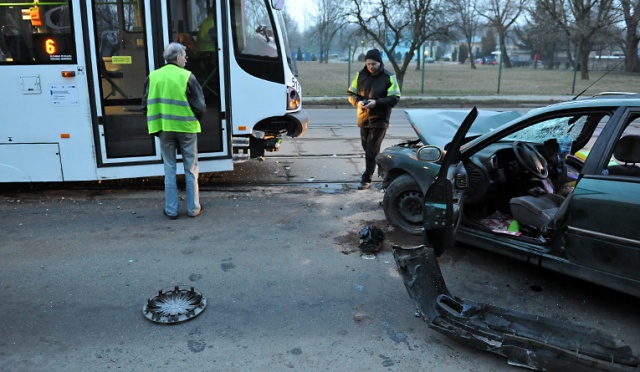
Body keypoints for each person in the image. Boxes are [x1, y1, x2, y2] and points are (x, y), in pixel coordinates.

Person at [142, 42, 206, 219]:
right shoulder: (187, 77)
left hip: (164, 129)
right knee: (191, 169)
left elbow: (144, 105)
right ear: (177, 57)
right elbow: (200, 106)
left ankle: (171, 210)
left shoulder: (153, 76)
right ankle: (193, 209)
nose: (186, 59)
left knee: (169, 169)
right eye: (184, 56)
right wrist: (194, 120)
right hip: (186, 129)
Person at [347, 48, 401, 190]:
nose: (370, 67)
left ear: (380, 63)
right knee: (368, 149)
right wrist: (357, 102)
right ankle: (387, 171)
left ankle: (366, 179)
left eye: (374, 64)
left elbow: (395, 98)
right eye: (368, 64)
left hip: (380, 119)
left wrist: (376, 103)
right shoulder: (360, 75)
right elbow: (351, 93)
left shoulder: (389, 77)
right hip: (363, 118)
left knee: (371, 150)